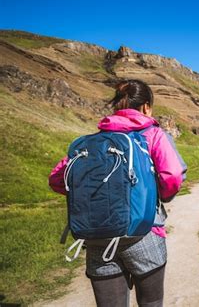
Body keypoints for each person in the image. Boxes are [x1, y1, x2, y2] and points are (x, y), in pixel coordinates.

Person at [48, 79, 187, 307]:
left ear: (116, 107)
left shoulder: (92, 143)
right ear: (146, 107)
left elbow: (56, 179)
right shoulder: (153, 134)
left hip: (97, 237)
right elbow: (171, 176)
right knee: (152, 302)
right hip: (144, 233)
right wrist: (160, 195)